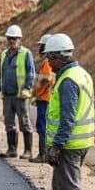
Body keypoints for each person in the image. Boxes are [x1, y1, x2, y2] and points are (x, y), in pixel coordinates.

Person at [42, 33, 94, 190]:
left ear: (58, 57)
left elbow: (68, 117)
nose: (48, 63)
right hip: (76, 143)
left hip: (69, 145)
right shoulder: (80, 74)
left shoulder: (68, 80)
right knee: (59, 187)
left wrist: (57, 145)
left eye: (49, 58)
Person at [0, 24, 35, 159]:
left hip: (21, 96)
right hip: (7, 96)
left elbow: (31, 73)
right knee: (9, 123)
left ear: (19, 39)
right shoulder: (4, 54)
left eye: (14, 39)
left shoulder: (26, 54)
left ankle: (28, 151)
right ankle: (12, 149)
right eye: (9, 38)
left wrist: (27, 88)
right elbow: (1, 74)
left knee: (25, 123)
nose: (11, 41)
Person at [30, 33, 56, 163]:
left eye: (41, 46)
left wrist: (35, 94)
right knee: (44, 126)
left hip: (44, 99)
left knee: (42, 127)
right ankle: (45, 154)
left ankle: (43, 155)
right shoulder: (50, 62)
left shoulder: (46, 62)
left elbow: (45, 81)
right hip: (47, 98)